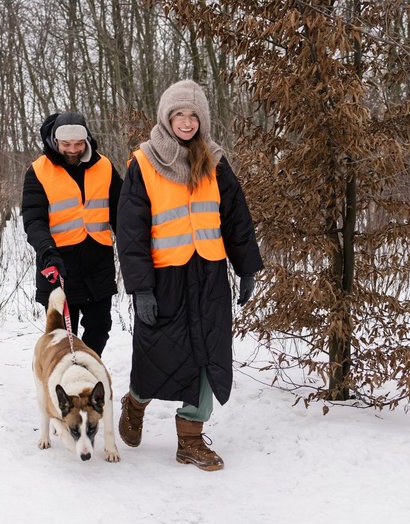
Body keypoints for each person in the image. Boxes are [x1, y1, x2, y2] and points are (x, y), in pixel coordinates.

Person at [116, 80, 263, 471]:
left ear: (203, 119)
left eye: (194, 114)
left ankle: (191, 439)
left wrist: (245, 267)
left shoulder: (215, 160)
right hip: (164, 276)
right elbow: (131, 232)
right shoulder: (144, 162)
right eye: (179, 114)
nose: (186, 121)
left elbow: (236, 219)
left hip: (209, 274)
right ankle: (135, 401)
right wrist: (141, 288)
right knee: (156, 355)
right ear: (166, 117)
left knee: (206, 354)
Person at [21, 111, 122, 356]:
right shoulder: (38, 171)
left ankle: (86, 370)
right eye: (66, 144)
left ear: (86, 139)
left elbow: (121, 213)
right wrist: (47, 251)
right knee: (62, 337)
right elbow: (34, 220)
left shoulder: (104, 166)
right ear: (55, 141)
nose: (73, 150)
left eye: (78, 143)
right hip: (57, 263)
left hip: (98, 262)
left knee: (100, 328)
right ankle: (64, 384)